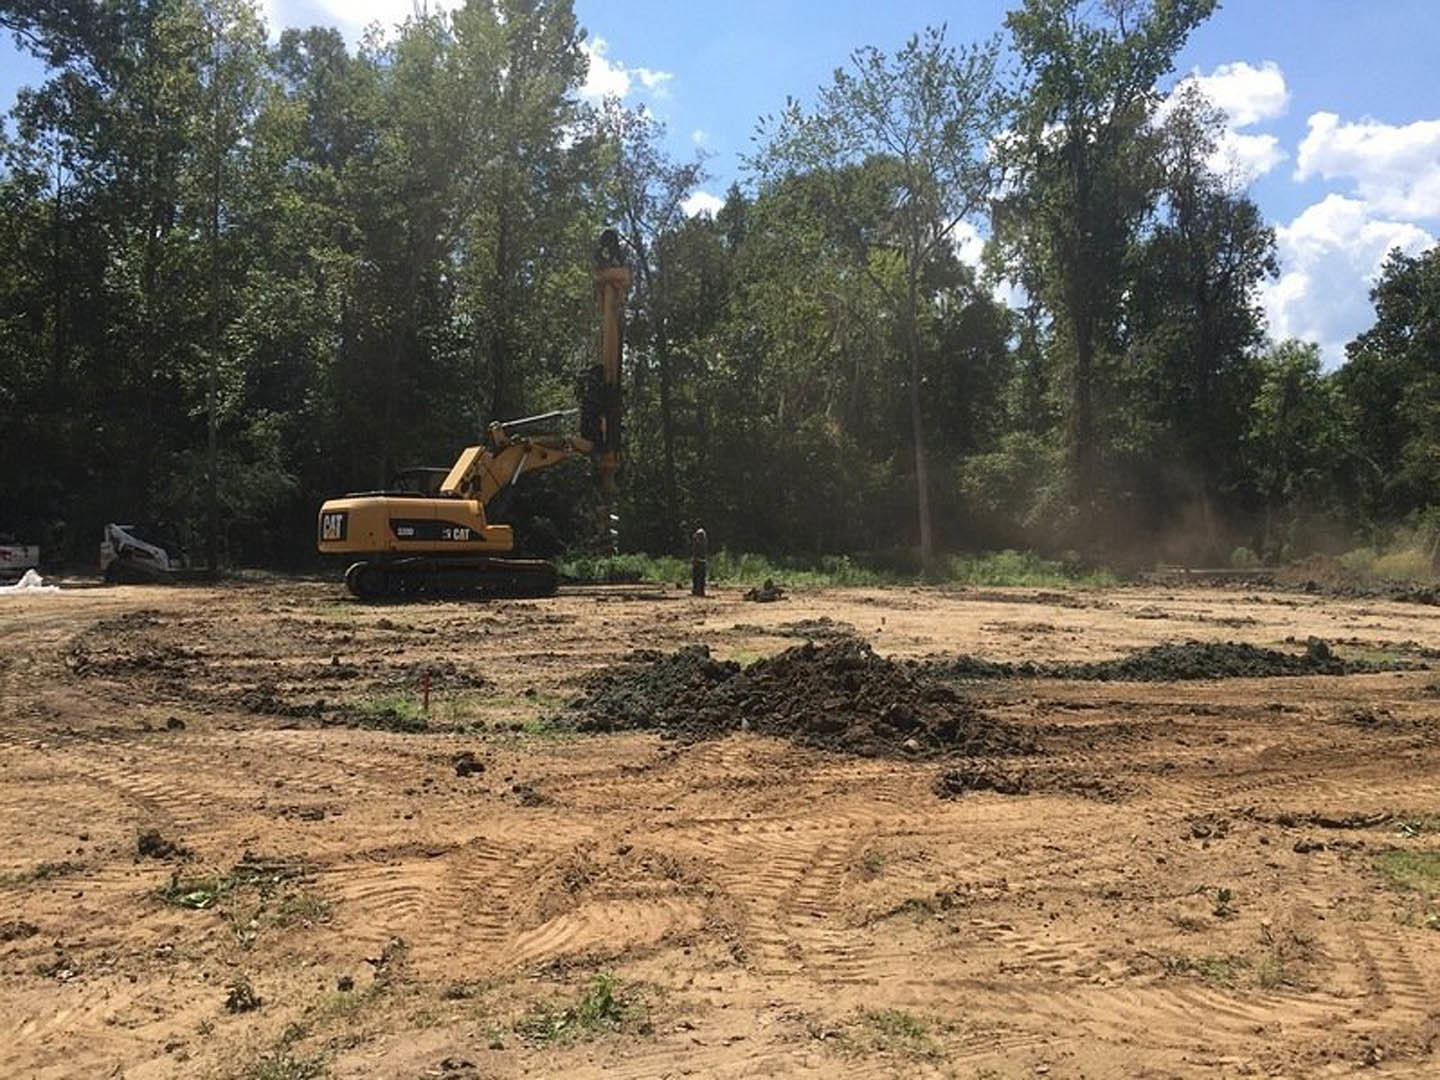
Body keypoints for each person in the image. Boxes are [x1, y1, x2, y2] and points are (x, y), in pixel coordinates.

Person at [690, 526, 708, 597]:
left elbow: (696, 553)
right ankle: (698, 591)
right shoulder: (703, 542)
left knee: (698, 577)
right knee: (698, 578)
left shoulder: (700, 543)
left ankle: (698, 591)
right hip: (701, 562)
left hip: (699, 562)